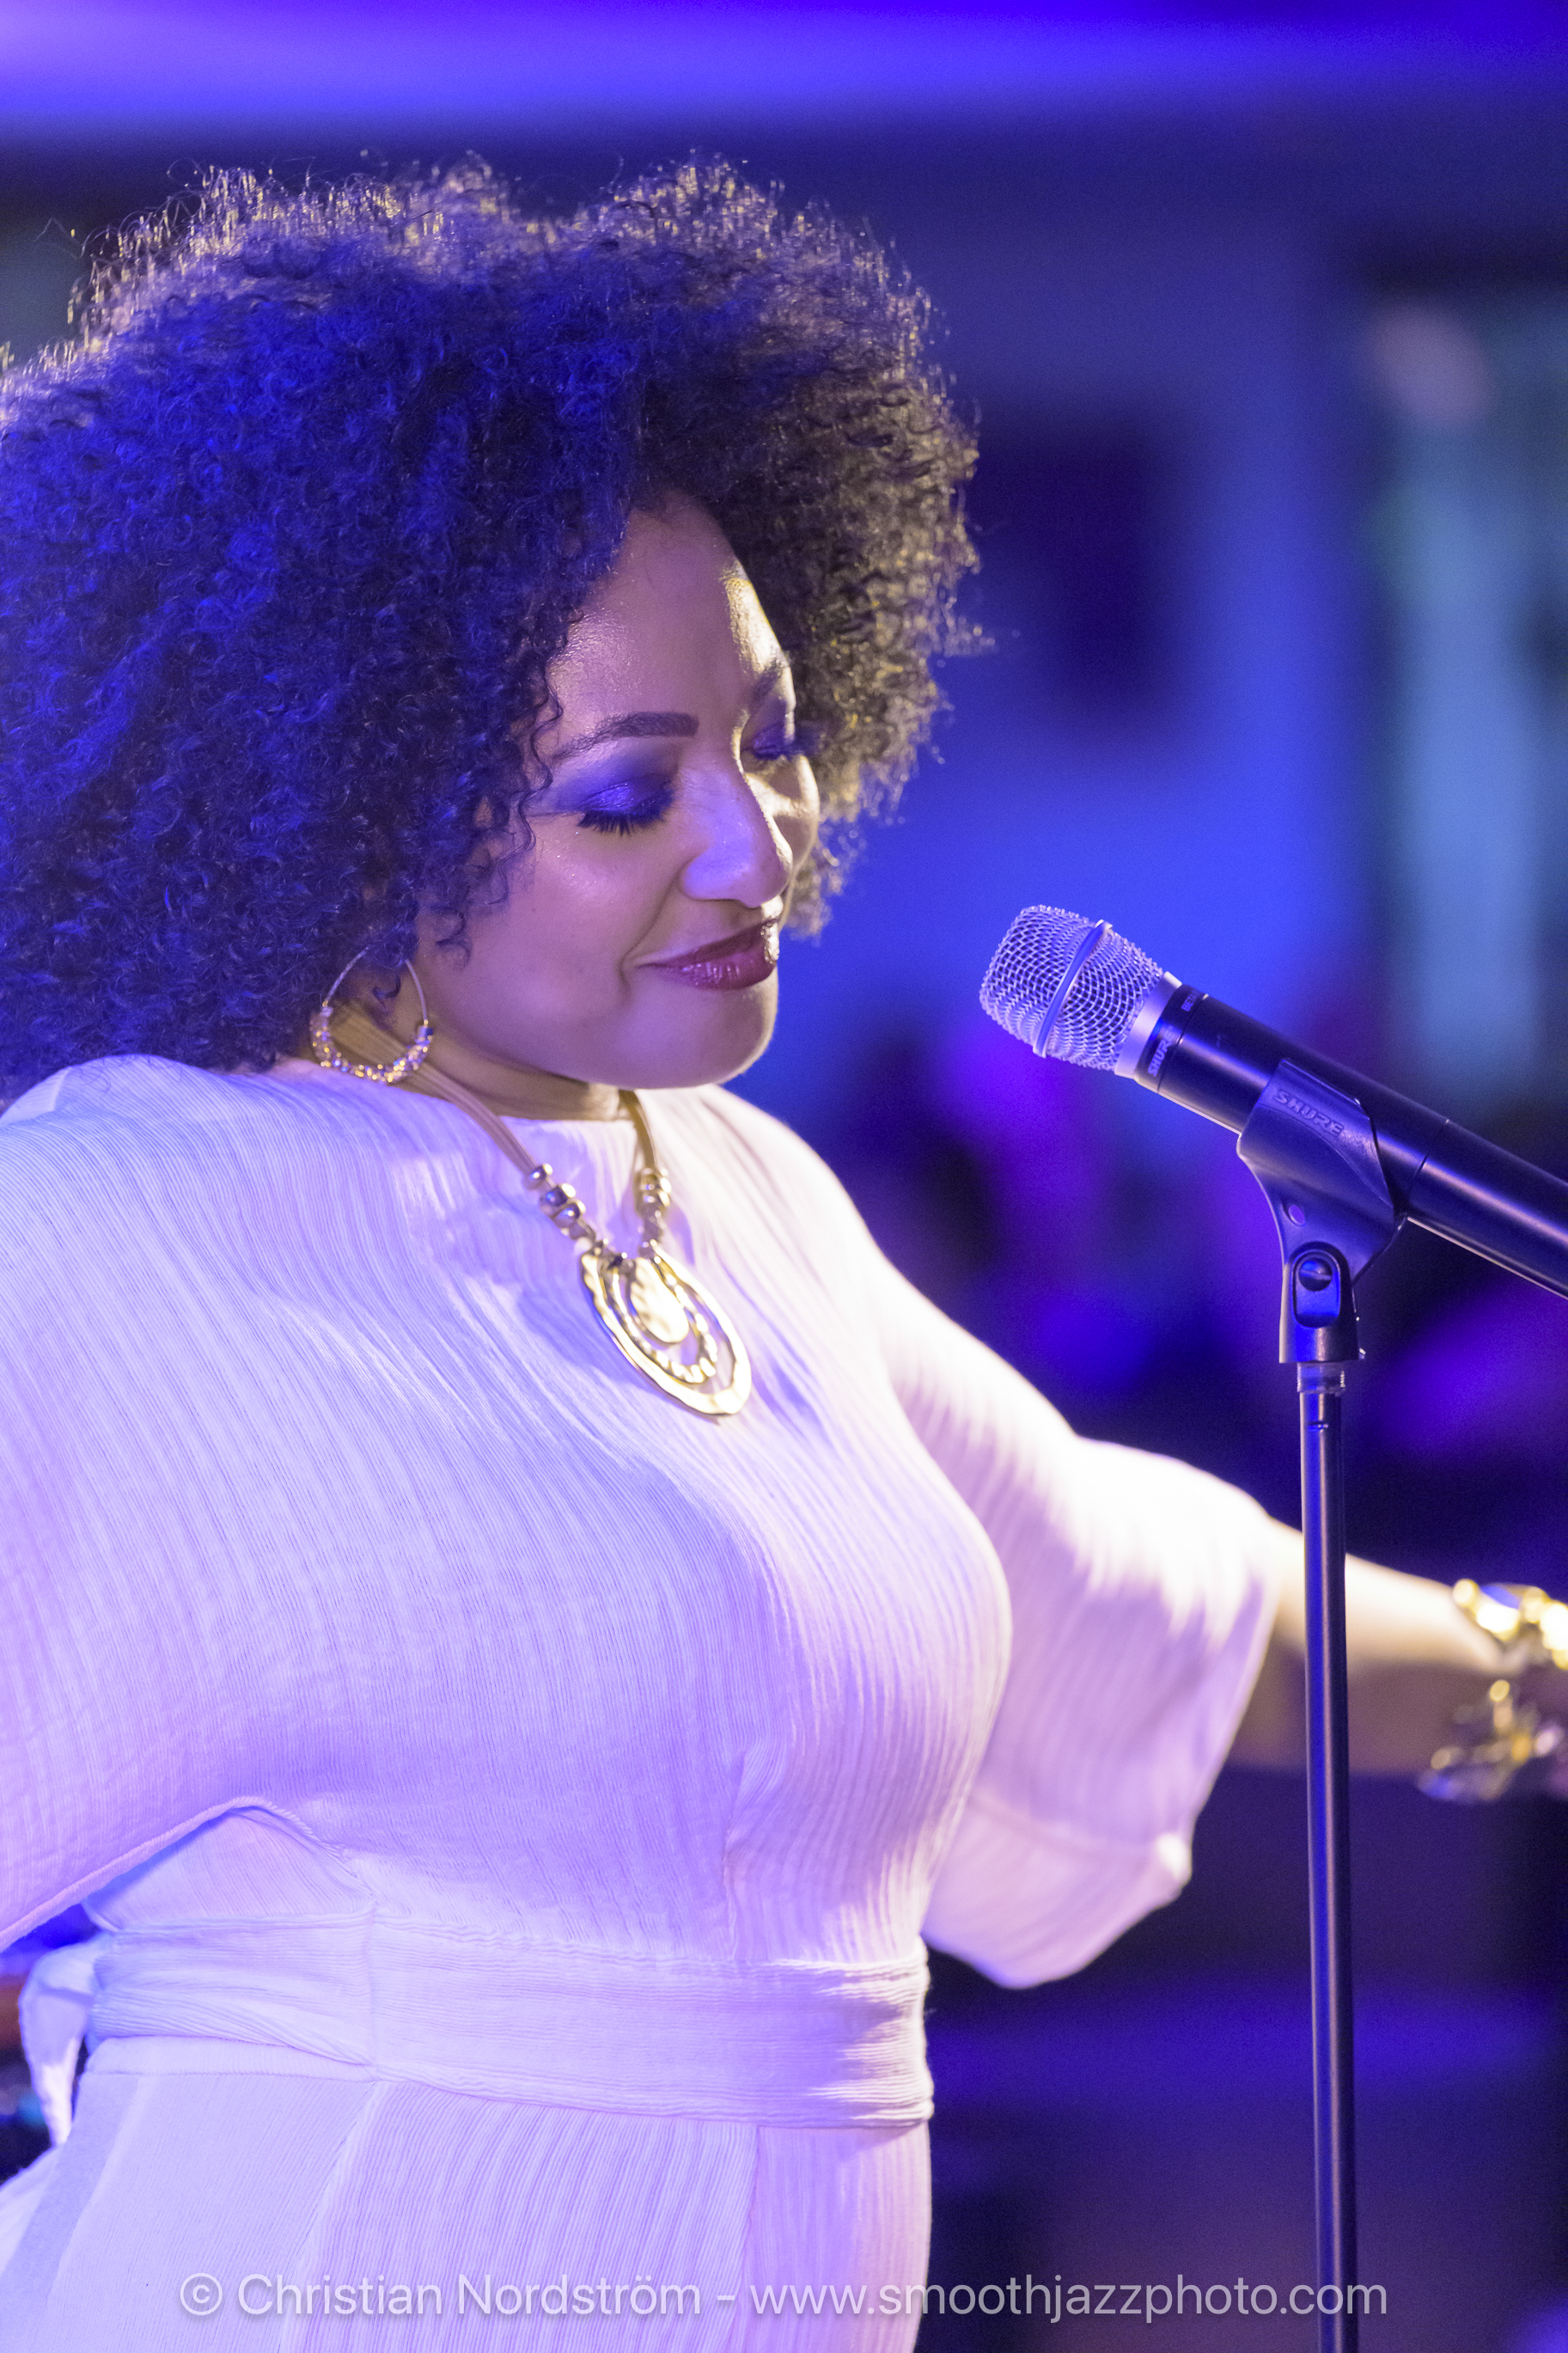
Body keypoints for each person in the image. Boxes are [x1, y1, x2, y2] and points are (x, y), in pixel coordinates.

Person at [0, 160, 1553, 2351]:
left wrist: (1543, 1676)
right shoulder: (117, 1221)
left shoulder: (735, 1191)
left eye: (776, 733)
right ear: (336, 804)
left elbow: (1127, 1598)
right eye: (626, 795)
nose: (763, 842)